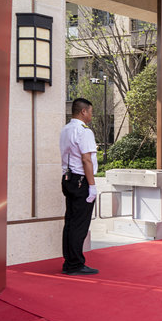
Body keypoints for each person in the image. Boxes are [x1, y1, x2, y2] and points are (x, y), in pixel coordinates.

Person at [59, 98, 100, 275]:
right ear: (83, 111)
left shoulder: (66, 129)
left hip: (68, 179)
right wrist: (92, 186)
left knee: (70, 222)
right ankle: (75, 264)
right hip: (81, 180)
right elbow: (86, 160)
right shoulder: (84, 131)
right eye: (90, 111)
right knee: (79, 224)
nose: (91, 114)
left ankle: (69, 262)